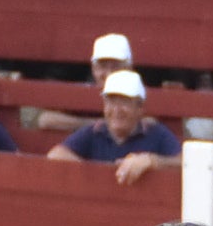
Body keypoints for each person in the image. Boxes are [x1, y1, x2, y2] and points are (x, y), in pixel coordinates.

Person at [51, 68, 184, 181]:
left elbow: (184, 163)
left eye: (124, 103)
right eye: (111, 102)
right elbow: (56, 154)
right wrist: (92, 174)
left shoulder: (156, 133)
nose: (116, 110)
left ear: (140, 108)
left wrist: (151, 161)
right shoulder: (94, 131)